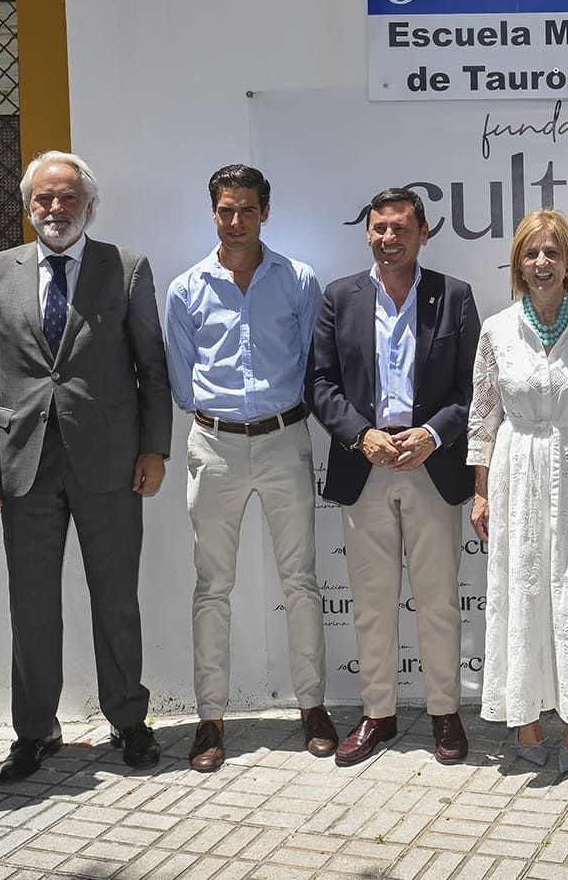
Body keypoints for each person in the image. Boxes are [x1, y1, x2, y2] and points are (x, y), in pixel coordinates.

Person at [0, 150, 173, 780]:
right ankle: (34, 730)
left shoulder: (125, 266)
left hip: (110, 461)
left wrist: (154, 448)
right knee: (31, 605)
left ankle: (129, 721)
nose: (55, 209)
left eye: (67, 197)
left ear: (90, 205)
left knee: (116, 597)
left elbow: (151, 367)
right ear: (29, 206)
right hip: (22, 461)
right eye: (43, 199)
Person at [164, 164, 338, 772]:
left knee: (301, 579)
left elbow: (317, 361)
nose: (235, 222)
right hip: (213, 446)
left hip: (285, 439)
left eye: (246, 210)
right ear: (212, 213)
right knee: (212, 585)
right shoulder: (186, 289)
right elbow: (181, 379)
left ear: (266, 212)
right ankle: (210, 718)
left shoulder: (298, 281)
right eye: (224, 210)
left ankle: (312, 706)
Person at [307, 187, 480, 766]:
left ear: (423, 232)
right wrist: (361, 435)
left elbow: (471, 389)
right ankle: (377, 714)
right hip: (367, 465)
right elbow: (321, 384)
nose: (389, 238)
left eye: (401, 228)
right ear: (368, 233)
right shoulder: (339, 297)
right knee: (373, 602)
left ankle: (445, 714)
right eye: (379, 228)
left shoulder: (454, 296)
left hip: (432, 466)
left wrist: (433, 434)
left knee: (437, 601)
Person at [467, 210, 568, 775]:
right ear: (518, 263)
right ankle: (528, 723)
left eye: (552, 254)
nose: (542, 264)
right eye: (531, 254)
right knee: (523, 593)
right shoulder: (495, 330)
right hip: (516, 474)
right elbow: (483, 417)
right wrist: (481, 491)